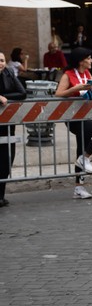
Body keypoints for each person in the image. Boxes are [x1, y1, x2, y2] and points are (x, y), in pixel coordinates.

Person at [55, 47, 92, 199]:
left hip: (87, 116)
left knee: (81, 148)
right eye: (89, 58)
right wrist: (76, 88)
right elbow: (58, 94)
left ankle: (79, 187)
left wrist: (90, 87)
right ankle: (85, 158)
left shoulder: (87, 73)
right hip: (73, 118)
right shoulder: (68, 74)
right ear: (81, 61)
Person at [0, 51, 27, 206]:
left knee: (6, 158)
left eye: (2, 60)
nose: (1, 63)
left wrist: (6, 98)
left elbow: (22, 93)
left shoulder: (9, 73)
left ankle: (1, 196)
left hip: (8, 125)